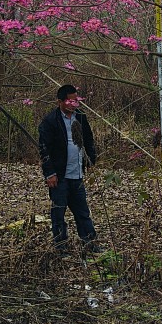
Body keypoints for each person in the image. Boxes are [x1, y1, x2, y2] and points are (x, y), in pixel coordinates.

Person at [38, 84, 99, 254]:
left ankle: (90, 243)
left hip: (77, 174)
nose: (73, 104)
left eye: (75, 100)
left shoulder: (80, 116)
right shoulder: (50, 121)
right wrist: (49, 173)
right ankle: (61, 246)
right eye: (70, 101)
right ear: (60, 102)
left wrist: (90, 160)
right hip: (59, 175)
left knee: (83, 212)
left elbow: (88, 139)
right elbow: (44, 148)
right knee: (59, 213)